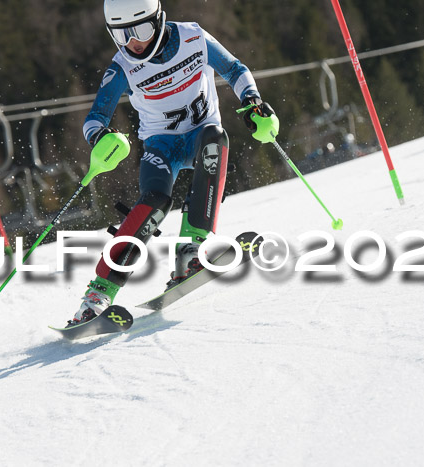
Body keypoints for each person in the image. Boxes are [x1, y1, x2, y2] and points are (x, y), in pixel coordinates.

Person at [70, 0, 278, 325]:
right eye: (122, 35)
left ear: (158, 19)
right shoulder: (122, 64)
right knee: (153, 204)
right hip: (160, 147)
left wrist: (253, 102)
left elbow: (235, 69)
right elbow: (95, 118)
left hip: (200, 136)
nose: (134, 42)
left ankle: (190, 252)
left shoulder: (193, 37)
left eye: (140, 29)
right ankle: (97, 295)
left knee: (215, 140)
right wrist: (100, 140)